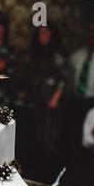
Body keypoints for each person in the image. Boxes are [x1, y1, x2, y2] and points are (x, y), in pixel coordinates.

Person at [29, 23, 67, 152]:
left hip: (52, 98)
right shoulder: (37, 54)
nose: (42, 36)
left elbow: (63, 78)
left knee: (52, 132)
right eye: (40, 33)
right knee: (38, 132)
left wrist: (56, 97)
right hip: (39, 97)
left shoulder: (57, 55)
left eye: (45, 32)